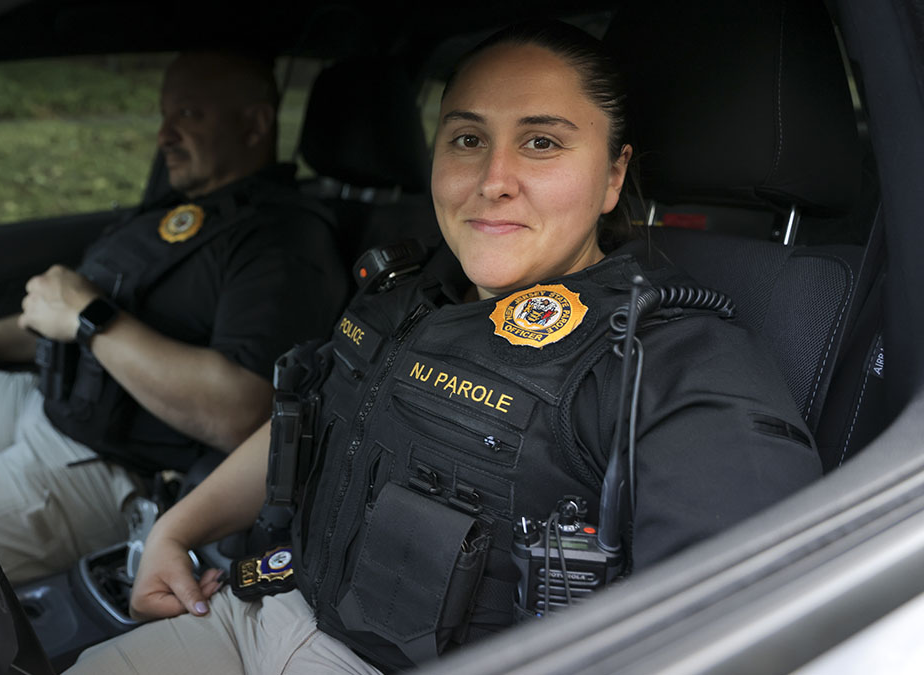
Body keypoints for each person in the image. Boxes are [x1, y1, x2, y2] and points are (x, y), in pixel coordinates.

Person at [66, 22, 823, 674]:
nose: (494, 179)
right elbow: (311, 415)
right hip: (257, 612)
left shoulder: (675, 363)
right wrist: (178, 526)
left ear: (612, 175)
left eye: (541, 142)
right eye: (467, 138)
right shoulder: (407, 287)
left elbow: (743, 630)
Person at [0, 51, 348, 582]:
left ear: (254, 124)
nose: (164, 135)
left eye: (188, 115)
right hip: (44, 406)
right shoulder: (180, 210)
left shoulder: (284, 242)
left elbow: (243, 413)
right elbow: (60, 318)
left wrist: (92, 320)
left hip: (115, 470)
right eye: (164, 115)